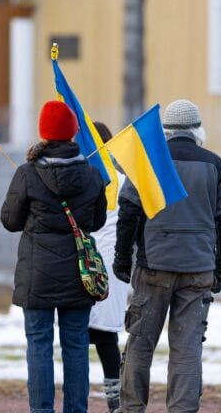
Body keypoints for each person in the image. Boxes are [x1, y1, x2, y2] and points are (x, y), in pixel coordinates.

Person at [114, 99, 221, 413]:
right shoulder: (215, 165)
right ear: (197, 130)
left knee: (140, 342)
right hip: (198, 269)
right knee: (187, 349)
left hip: (153, 265)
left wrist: (122, 258)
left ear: (164, 131)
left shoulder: (148, 161)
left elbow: (128, 212)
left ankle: (132, 408)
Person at [1, 100, 107, 413]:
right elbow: (97, 221)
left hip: (37, 274)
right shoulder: (92, 174)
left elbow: (10, 221)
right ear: (73, 133)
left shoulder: (27, 173)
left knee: (38, 344)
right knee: (76, 345)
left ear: (43, 133)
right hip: (78, 274)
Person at [86, 121, 130, 413]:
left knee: (82, 335)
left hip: (87, 265)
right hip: (113, 267)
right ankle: (115, 400)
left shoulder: (84, 181)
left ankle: (81, 399)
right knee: (106, 338)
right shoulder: (123, 182)